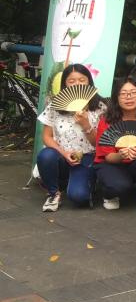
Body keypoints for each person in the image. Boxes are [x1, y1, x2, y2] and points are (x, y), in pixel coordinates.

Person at [36, 64, 106, 210]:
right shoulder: (55, 105)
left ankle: (85, 182)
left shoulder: (100, 107)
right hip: (62, 156)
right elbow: (47, 137)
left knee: (79, 197)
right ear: (65, 84)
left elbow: (99, 144)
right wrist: (64, 153)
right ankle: (53, 193)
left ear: (89, 81)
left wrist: (86, 124)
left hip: (87, 156)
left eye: (82, 80)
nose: (77, 84)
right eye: (71, 81)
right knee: (45, 155)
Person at [93, 76, 136, 210]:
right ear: (116, 98)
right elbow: (108, 156)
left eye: (133, 93)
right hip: (113, 163)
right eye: (123, 94)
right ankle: (109, 194)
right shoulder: (106, 120)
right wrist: (120, 155)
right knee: (119, 186)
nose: (129, 97)